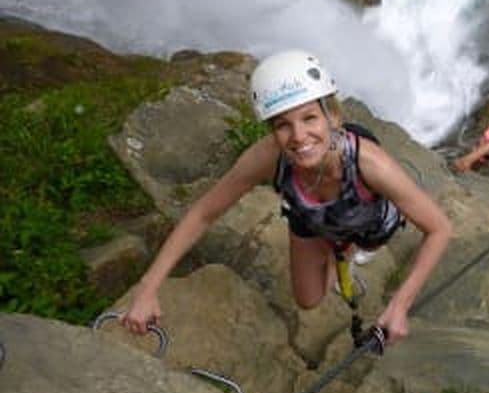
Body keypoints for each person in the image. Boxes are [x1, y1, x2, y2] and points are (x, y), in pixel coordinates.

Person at [122, 50, 452, 345]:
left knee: (367, 242)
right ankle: (334, 248)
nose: (298, 137)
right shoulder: (267, 157)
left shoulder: (371, 163)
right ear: (270, 130)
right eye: (283, 125)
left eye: (310, 118)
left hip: (368, 218)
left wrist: (400, 304)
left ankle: (347, 251)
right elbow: (203, 214)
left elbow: (439, 228)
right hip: (309, 218)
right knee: (308, 300)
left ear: (333, 116)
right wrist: (148, 287)